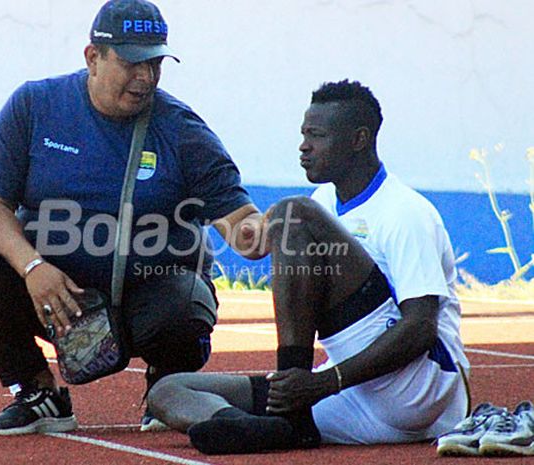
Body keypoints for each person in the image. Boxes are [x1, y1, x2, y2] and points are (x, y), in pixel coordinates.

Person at [0, 0, 267, 436]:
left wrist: (262, 231)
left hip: (147, 299)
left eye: (155, 63)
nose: (146, 77)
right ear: (93, 57)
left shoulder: (182, 129)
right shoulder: (34, 106)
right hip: (59, 300)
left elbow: (240, 219)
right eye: (132, 62)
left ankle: (168, 391)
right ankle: (38, 395)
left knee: (186, 297)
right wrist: (34, 267)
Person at [147, 80, 471, 454]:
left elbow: (421, 328)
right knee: (169, 391)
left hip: (413, 390)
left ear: (358, 139)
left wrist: (323, 383)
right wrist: (314, 385)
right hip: (352, 394)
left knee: (292, 213)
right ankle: (265, 427)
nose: (303, 146)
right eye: (303, 134)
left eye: (315, 135)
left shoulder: (405, 212)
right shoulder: (324, 202)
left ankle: (289, 406)